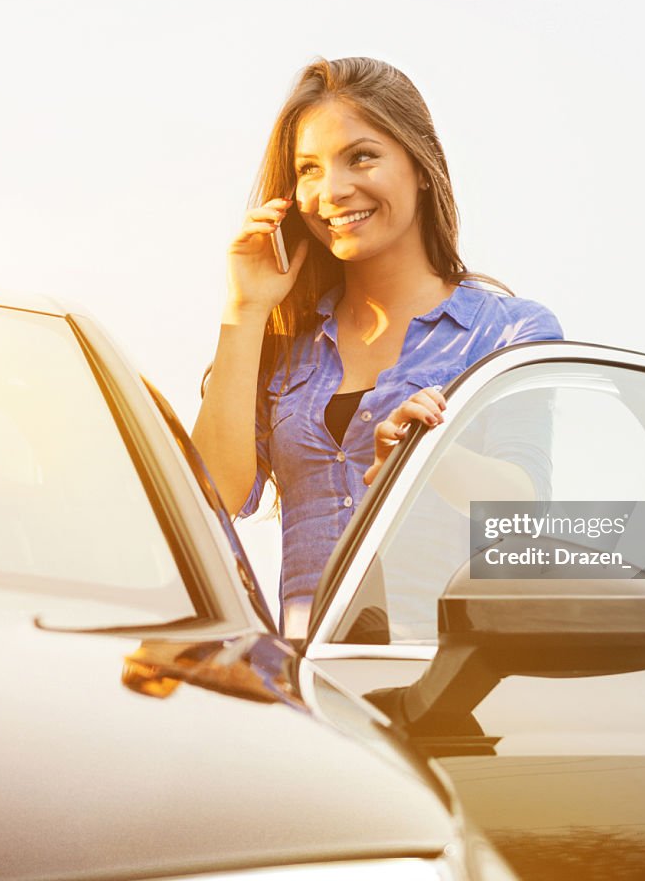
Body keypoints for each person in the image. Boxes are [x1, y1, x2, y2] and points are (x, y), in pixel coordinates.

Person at [191, 57, 562, 635]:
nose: (332, 191)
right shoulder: (285, 351)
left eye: (361, 157)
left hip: (448, 685)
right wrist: (245, 311)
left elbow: (522, 503)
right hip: (310, 685)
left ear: (420, 165)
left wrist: (429, 460)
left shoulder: (507, 332)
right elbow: (205, 503)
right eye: (308, 170)